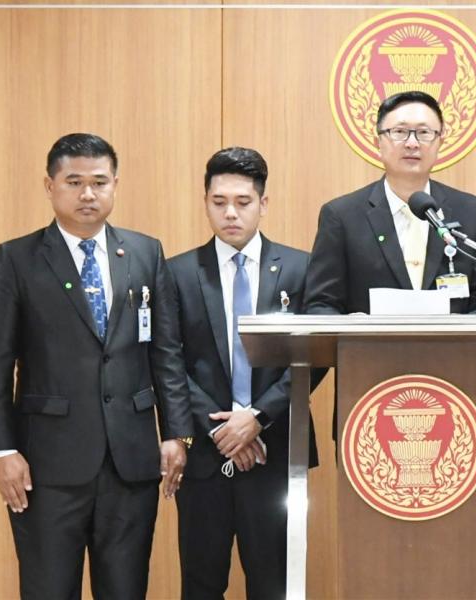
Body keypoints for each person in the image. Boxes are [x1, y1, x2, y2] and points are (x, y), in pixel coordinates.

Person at [0, 132, 192, 599]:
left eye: (99, 182)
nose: (88, 194)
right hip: (46, 466)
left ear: (115, 185)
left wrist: (176, 432)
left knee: (126, 590)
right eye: (74, 182)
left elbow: (166, 351)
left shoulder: (145, 253)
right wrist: (0, 450)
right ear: (49, 186)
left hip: (130, 460)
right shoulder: (15, 259)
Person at [169, 147, 317, 599]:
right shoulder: (177, 272)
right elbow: (169, 361)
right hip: (204, 454)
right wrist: (224, 429)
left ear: (263, 203)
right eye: (219, 202)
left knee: (275, 585)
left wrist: (257, 417)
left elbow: (314, 357)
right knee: (201, 583)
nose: (230, 213)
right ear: (205, 202)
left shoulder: (301, 268)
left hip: (276, 452)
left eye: (243, 202)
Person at [304, 90, 476, 315]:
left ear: (440, 142)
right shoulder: (342, 216)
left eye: (424, 133)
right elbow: (321, 304)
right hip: (368, 340)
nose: (412, 143)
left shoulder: (473, 214)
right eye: (399, 132)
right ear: (378, 142)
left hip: (452, 340)